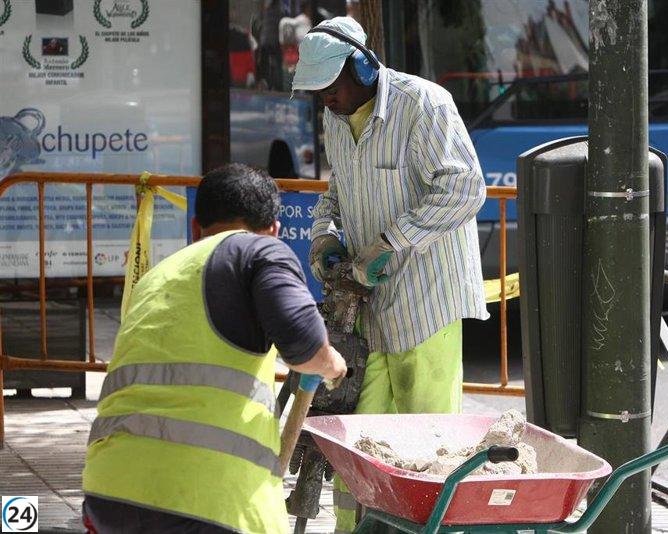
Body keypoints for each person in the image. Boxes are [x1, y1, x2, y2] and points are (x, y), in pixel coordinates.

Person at [292, 17, 489, 533]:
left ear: (362, 66)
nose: (325, 103)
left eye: (330, 89)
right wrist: (326, 236)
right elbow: (336, 194)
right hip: (367, 304)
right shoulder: (337, 120)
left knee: (427, 438)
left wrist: (392, 242)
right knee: (359, 439)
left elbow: (465, 189)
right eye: (317, 95)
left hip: (428, 301)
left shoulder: (423, 105)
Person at [82, 163, 347, 534]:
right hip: (205, 500)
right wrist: (331, 363)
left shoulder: (157, 277)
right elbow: (304, 347)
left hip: (108, 491)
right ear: (274, 230)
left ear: (195, 229)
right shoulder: (260, 252)